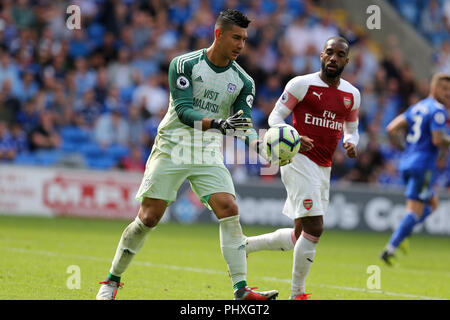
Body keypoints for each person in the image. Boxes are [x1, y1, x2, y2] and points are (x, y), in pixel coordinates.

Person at [96, 9, 279, 300]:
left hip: (206, 150)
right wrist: (219, 123)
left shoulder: (244, 81)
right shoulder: (184, 64)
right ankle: (111, 280)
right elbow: (183, 111)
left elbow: (242, 125)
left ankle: (241, 289)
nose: (241, 45)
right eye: (236, 37)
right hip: (173, 144)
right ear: (218, 34)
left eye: (244, 40)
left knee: (229, 208)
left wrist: (262, 148)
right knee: (149, 217)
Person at [245, 36, 360, 300]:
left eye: (339, 54)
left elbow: (351, 129)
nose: (333, 58)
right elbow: (275, 117)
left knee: (300, 235)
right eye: (329, 52)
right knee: (316, 227)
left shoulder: (352, 94)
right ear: (321, 55)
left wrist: (351, 142)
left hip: (324, 166)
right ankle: (297, 294)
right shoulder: (301, 84)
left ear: (347, 60)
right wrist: (293, 136)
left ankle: (246, 246)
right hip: (298, 160)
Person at [380, 73, 450, 266]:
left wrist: (405, 150)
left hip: (407, 163)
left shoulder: (417, 107)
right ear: (433, 88)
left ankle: (404, 232)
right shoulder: (438, 110)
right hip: (423, 166)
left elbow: (391, 129)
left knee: (433, 203)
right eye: (444, 89)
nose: (448, 93)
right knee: (414, 211)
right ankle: (391, 247)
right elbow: (437, 139)